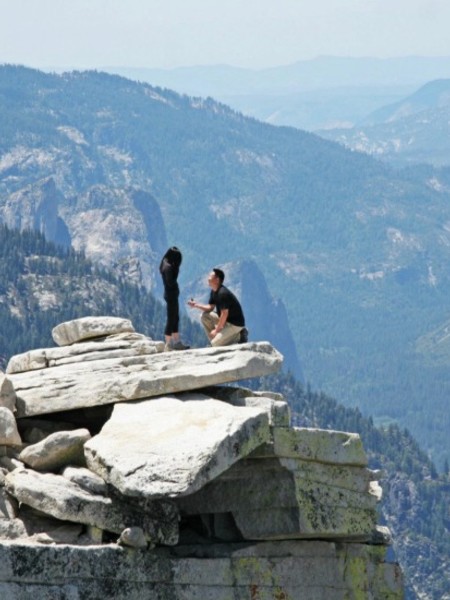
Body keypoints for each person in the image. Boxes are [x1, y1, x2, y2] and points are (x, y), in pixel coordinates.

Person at [188, 268, 248, 346]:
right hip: (226, 321)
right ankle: (216, 340)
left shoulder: (222, 293)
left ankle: (240, 335)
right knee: (204, 316)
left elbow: (224, 314)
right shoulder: (214, 291)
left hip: (235, 324)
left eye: (210, 276)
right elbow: (210, 307)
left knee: (216, 344)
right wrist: (196, 305)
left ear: (217, 279)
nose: (208, 277)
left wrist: (216, 330)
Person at [159, 247, 189, 351]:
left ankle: (177, 342)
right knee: (171, 318)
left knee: (175, 317)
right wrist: (176, 270)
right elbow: (171, 282)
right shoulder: (168, 267)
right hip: (171, 295)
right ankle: (168, 344)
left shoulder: (165, 263)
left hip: (171, 294)